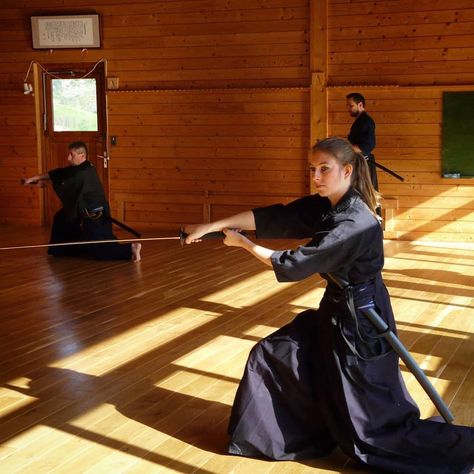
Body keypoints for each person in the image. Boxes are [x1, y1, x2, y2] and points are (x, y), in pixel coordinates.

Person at [183, 137, 474, 473]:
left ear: (347, 170)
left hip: (360, 324)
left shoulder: (353, 222)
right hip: (335, 311)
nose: (316, 176)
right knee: (274, 354)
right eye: (312, 169)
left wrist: (244, 244)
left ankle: (461, 452)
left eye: (324, 169)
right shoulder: (330, 204)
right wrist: (213, 225)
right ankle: (286, 437)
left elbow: (294, 263)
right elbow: (279, 216)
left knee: (371, 430)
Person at [23, 141, 141, 262]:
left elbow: (64, 183)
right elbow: (58, 174)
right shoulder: (79, 167)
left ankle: (130, 248)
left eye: (71, 155)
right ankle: (64, 249)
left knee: (99, 250)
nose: (68, 158)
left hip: (95, 214)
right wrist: (35, 178)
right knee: (61, 218)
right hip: (84, 209)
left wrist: (43, 184)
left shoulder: (83, 172)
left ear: (82, 156)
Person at [346, 92, 378, 191]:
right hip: (357, 162)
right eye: (347, 106)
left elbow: (369, 145)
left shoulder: (366, 121)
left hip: (363, 165)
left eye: (351, 106)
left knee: (364, 194)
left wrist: (346, 148)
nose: (348, 109)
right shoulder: (359, 121)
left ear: (360, 105)